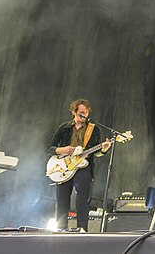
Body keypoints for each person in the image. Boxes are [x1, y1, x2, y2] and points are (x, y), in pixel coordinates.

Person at [47, 98, 111, 231]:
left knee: (82, 200)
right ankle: (60, 229)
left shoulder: (94, 129)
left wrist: (104, 149)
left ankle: (82, 230)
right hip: (65, 166)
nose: (84, 114)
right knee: (62, 199)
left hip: (83, 167)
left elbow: (97, 152)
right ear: (73, 112)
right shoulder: (64, 128)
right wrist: (63, 150)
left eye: (86, 112)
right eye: (81, 112)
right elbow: (49, 148)